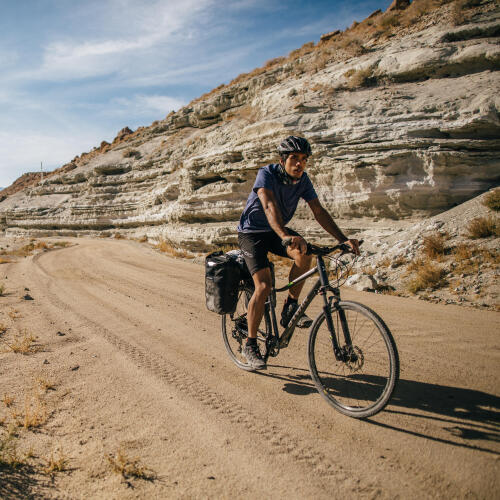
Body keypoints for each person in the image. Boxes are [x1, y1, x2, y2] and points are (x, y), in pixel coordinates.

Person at [237, 135, 360, 369]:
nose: (299, 164)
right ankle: (250, 345)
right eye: (294, 158)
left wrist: (342, 239)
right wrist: (285, 236)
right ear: (282, 160)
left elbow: (319, 211)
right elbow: (269, 205)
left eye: (304, 159)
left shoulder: (303, 180)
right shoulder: (268, 174)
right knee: (263, 286)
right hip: (252, 233)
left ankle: (289, 306)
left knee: (305, 254)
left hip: (277, 231)